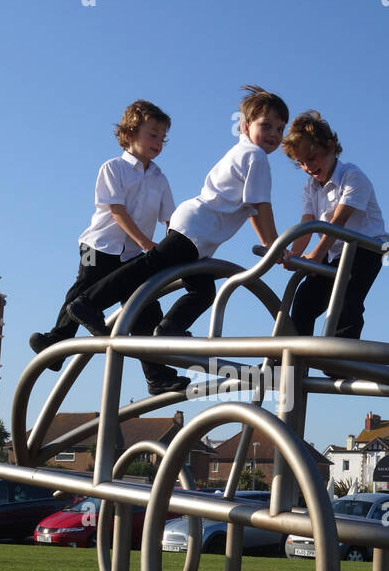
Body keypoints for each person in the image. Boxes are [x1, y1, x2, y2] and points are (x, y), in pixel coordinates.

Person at [50, 85, 290, 395]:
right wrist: (273, 244)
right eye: (265, 126)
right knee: (148, 269)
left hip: (198, 235)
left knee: (202, 291)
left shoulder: (245, 153)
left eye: (280, 129)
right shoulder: (256, 156)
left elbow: (252, 206)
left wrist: (270, 244)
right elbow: (260, 205)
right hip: (193, 230)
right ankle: (88, 303)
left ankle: (168, 331)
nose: (273, 134)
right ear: (245, 127)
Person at [29, 100, 174, 371]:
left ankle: (158, 373)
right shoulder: (113, 168)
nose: (158, 142)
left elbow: (170, 218)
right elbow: (116, 210)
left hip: (131, 255)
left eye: (162, 138)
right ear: (130, 133)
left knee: (144, 307)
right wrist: (145, 242)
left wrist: (175, 246)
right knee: (84, 290)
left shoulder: (160, 179)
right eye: (152, 135)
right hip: (99, 244)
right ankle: (56, 342)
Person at [281, 111, 388, 340]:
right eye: (300, 163)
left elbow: (338, 222)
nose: (308, 167)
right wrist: (295, 255)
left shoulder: (352, 176)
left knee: (346, 300)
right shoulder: (311, 186)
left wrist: (316, 256)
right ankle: (292, 362)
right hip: (334, 252)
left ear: (330, 148)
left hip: (366, 250)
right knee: (304, 300)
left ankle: (340, 362)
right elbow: (307, 223)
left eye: (311, 158)